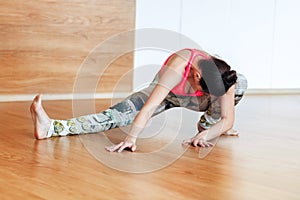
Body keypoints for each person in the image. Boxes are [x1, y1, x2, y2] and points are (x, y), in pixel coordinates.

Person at [30, 48, 247, 153]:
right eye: (206, 92)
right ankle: (51, 128)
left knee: (242, 83)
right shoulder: (178, 67)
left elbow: (227, 119)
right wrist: (132, 138)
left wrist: (204, 134)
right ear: (196, 77)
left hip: (199, 106)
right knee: (115, 116)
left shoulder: (221, 76)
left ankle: (207, 124)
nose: (210, 95)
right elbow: (151, 105)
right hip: (166, 96)